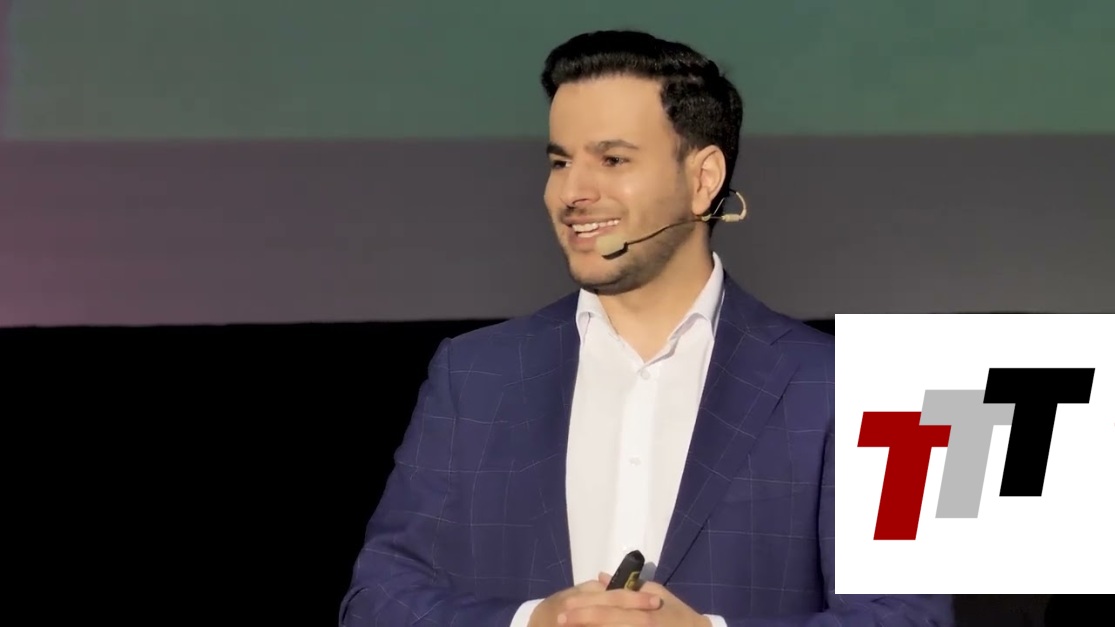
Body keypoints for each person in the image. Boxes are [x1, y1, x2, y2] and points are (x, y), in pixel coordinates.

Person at [340, 30, 954, 626]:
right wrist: (534, 622)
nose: (572, 192)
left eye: (612, 159)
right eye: (560, 161)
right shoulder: (474, 374)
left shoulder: (854, 386)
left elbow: (909, 615)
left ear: (703, 179)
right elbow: (377, 599)